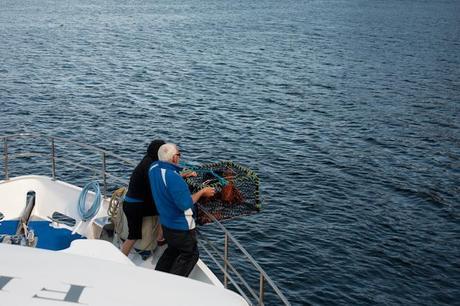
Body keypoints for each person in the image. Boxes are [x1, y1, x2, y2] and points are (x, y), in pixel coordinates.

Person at [149, 143, 215, 277]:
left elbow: (166, 181)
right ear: (174, 158)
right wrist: (203, 192)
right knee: (190, 254)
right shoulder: (173, 177)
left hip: (166, 223)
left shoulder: (153, 168)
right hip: (181, 226)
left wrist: (181, 176)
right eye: (179, 155)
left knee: (172, 250)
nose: (179, 158)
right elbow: (185, 204)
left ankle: (157, 278)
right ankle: (175, 285)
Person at [121, 139, 166, 256]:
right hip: (136, 206)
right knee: (133, 236)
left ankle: (160, 236)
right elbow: (157, 184)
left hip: (131, 203)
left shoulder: (147, 160)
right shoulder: (151, 166)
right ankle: (161, 237)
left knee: (133, 235)